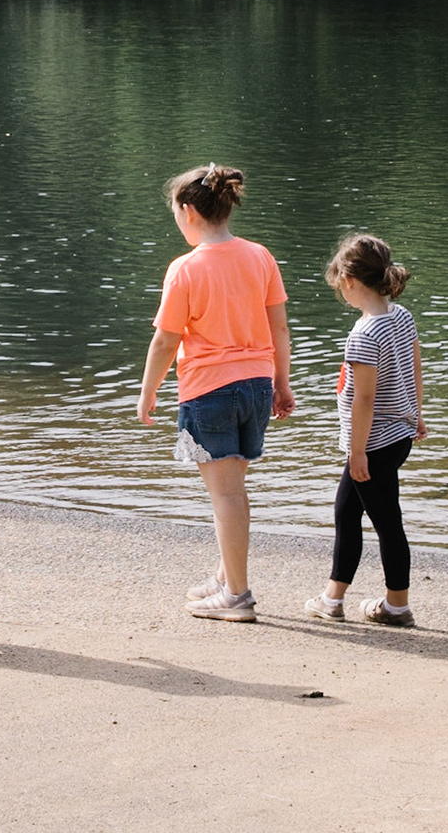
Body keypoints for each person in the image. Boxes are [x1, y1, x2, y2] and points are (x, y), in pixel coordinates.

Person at [137, 163, 295, 623]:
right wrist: (282, 382)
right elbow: (279, 329)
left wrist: (148, 390)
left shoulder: (185, 269)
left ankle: (237, 596)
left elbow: (166, 340)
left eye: (175, 213)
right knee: (234, 490)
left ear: (189, 211)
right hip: (257, 385)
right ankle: (227, 576)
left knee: (225, 495)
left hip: (210, 391)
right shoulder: (260, 256)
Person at [306, 233, 425, 628]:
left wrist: (357, 452)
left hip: (372, 444)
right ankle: (333, 598)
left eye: (340, 284)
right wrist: (417, 413)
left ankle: (396, 606)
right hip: (398, 435)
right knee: (347, 512)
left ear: (350, 281)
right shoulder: (400, 316)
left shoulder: (364, 335)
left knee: (387, 522)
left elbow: (365, 399)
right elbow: (415, 366)